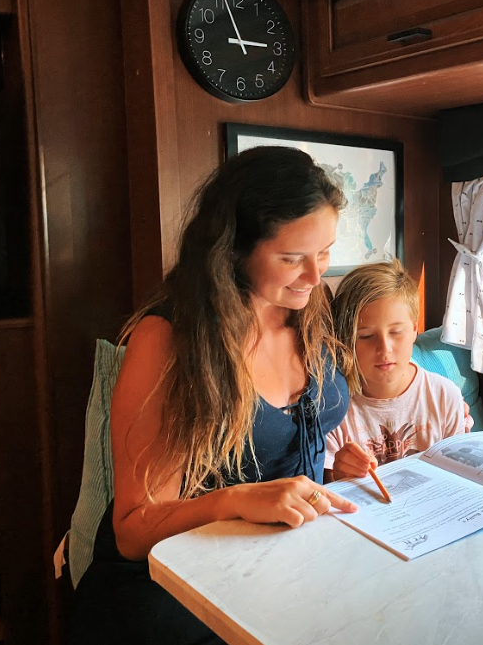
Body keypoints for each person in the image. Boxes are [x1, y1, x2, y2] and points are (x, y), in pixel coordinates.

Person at [70, 146, 357, 645]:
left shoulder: (306, 308)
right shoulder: (168, 339)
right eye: (292, 258)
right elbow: (134, 531)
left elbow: (280, 448)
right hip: (170, 582)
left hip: (277, 563)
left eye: (326, 253)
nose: (316, 276)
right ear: (233, 251)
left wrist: (332, 471)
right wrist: (242, 499)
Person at [325, 259, 472, 481]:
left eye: (396, 332)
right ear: (346, 339)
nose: (384, 348)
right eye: (366, 336)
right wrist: (338, 474)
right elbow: (327, 487)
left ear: (414, 329)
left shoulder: (444, 396)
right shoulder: (334, 408)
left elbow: (459, 476)